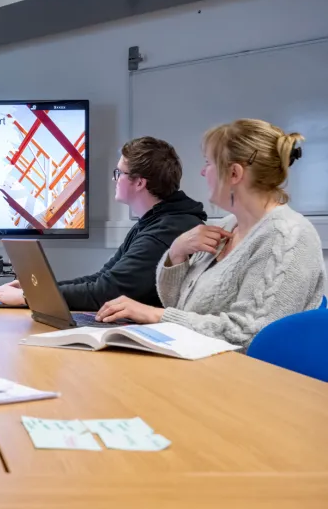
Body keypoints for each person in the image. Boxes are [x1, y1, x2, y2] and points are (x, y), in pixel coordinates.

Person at [97, 119, 326, 350]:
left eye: (208, 163)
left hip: (245, 377)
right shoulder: (228, 226)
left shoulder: (287, 238)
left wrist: (157, 316)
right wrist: (177, 253)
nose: (202, 171)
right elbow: (179, 303)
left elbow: (247, 333)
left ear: (234, 173)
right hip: (195, 360)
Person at [0, 136, 206, 311]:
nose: (114, 179)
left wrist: (29, 296)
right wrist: (38, 289)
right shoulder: (154, 220)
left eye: (119, 173)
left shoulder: (166, 230)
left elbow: (105, 292)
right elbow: (101, 279)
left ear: (139, 182)